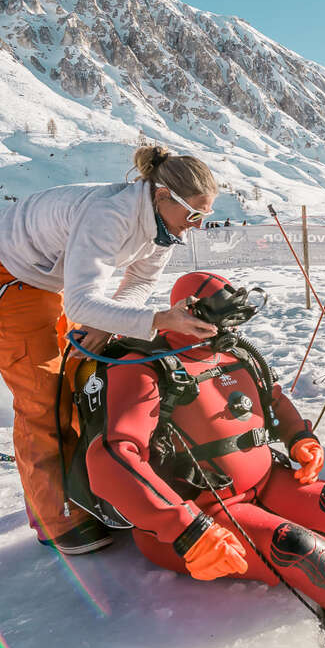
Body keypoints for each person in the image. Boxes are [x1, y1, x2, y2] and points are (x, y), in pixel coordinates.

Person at [82, 271, 325, 621]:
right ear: (190, 313)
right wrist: (185, 528)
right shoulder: (144, 366)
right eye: (225, 322)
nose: (232, 332)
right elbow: (113, 459)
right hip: (204, 513)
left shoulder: (237, 355)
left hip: (265, 483)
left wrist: (301, 439)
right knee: (298, 549)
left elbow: (273, 402)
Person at [0, 145, 219, 555]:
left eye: (202, 218)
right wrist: (157, 320)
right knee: (43, 396)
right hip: (13, 273)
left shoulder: (162, 230)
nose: (196, 226)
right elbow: (81, 303)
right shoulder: (111, 214)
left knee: (81, 381)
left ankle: (84, 491)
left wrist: (104, 325)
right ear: (161, 196)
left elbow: (136, 285)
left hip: (54, 277)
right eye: (194, 215)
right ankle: (54, 517)